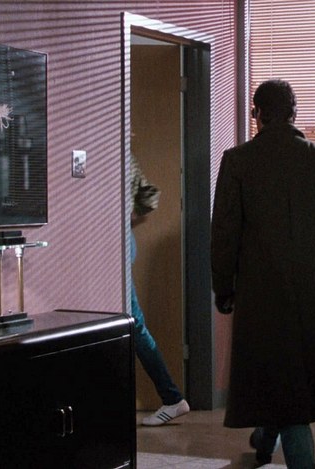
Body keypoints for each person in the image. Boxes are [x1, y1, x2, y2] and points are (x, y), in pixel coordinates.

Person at [211, 79, 315, 468]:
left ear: (256, 113)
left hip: (261, 294)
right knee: (291, 383)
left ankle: (268, 440)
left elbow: (224, 233)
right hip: (310, 293)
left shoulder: (238, 161)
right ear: (294, 112)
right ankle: (264, 440)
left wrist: (223, 287)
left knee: (283, 390)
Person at [129, 152, 190, 426]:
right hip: (122, 241)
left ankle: (172, 397)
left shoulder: (109, 152)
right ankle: (171, 396)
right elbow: (149, 195)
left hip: (113, 244)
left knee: (133, 326)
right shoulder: (127, 156)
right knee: (131, 325)